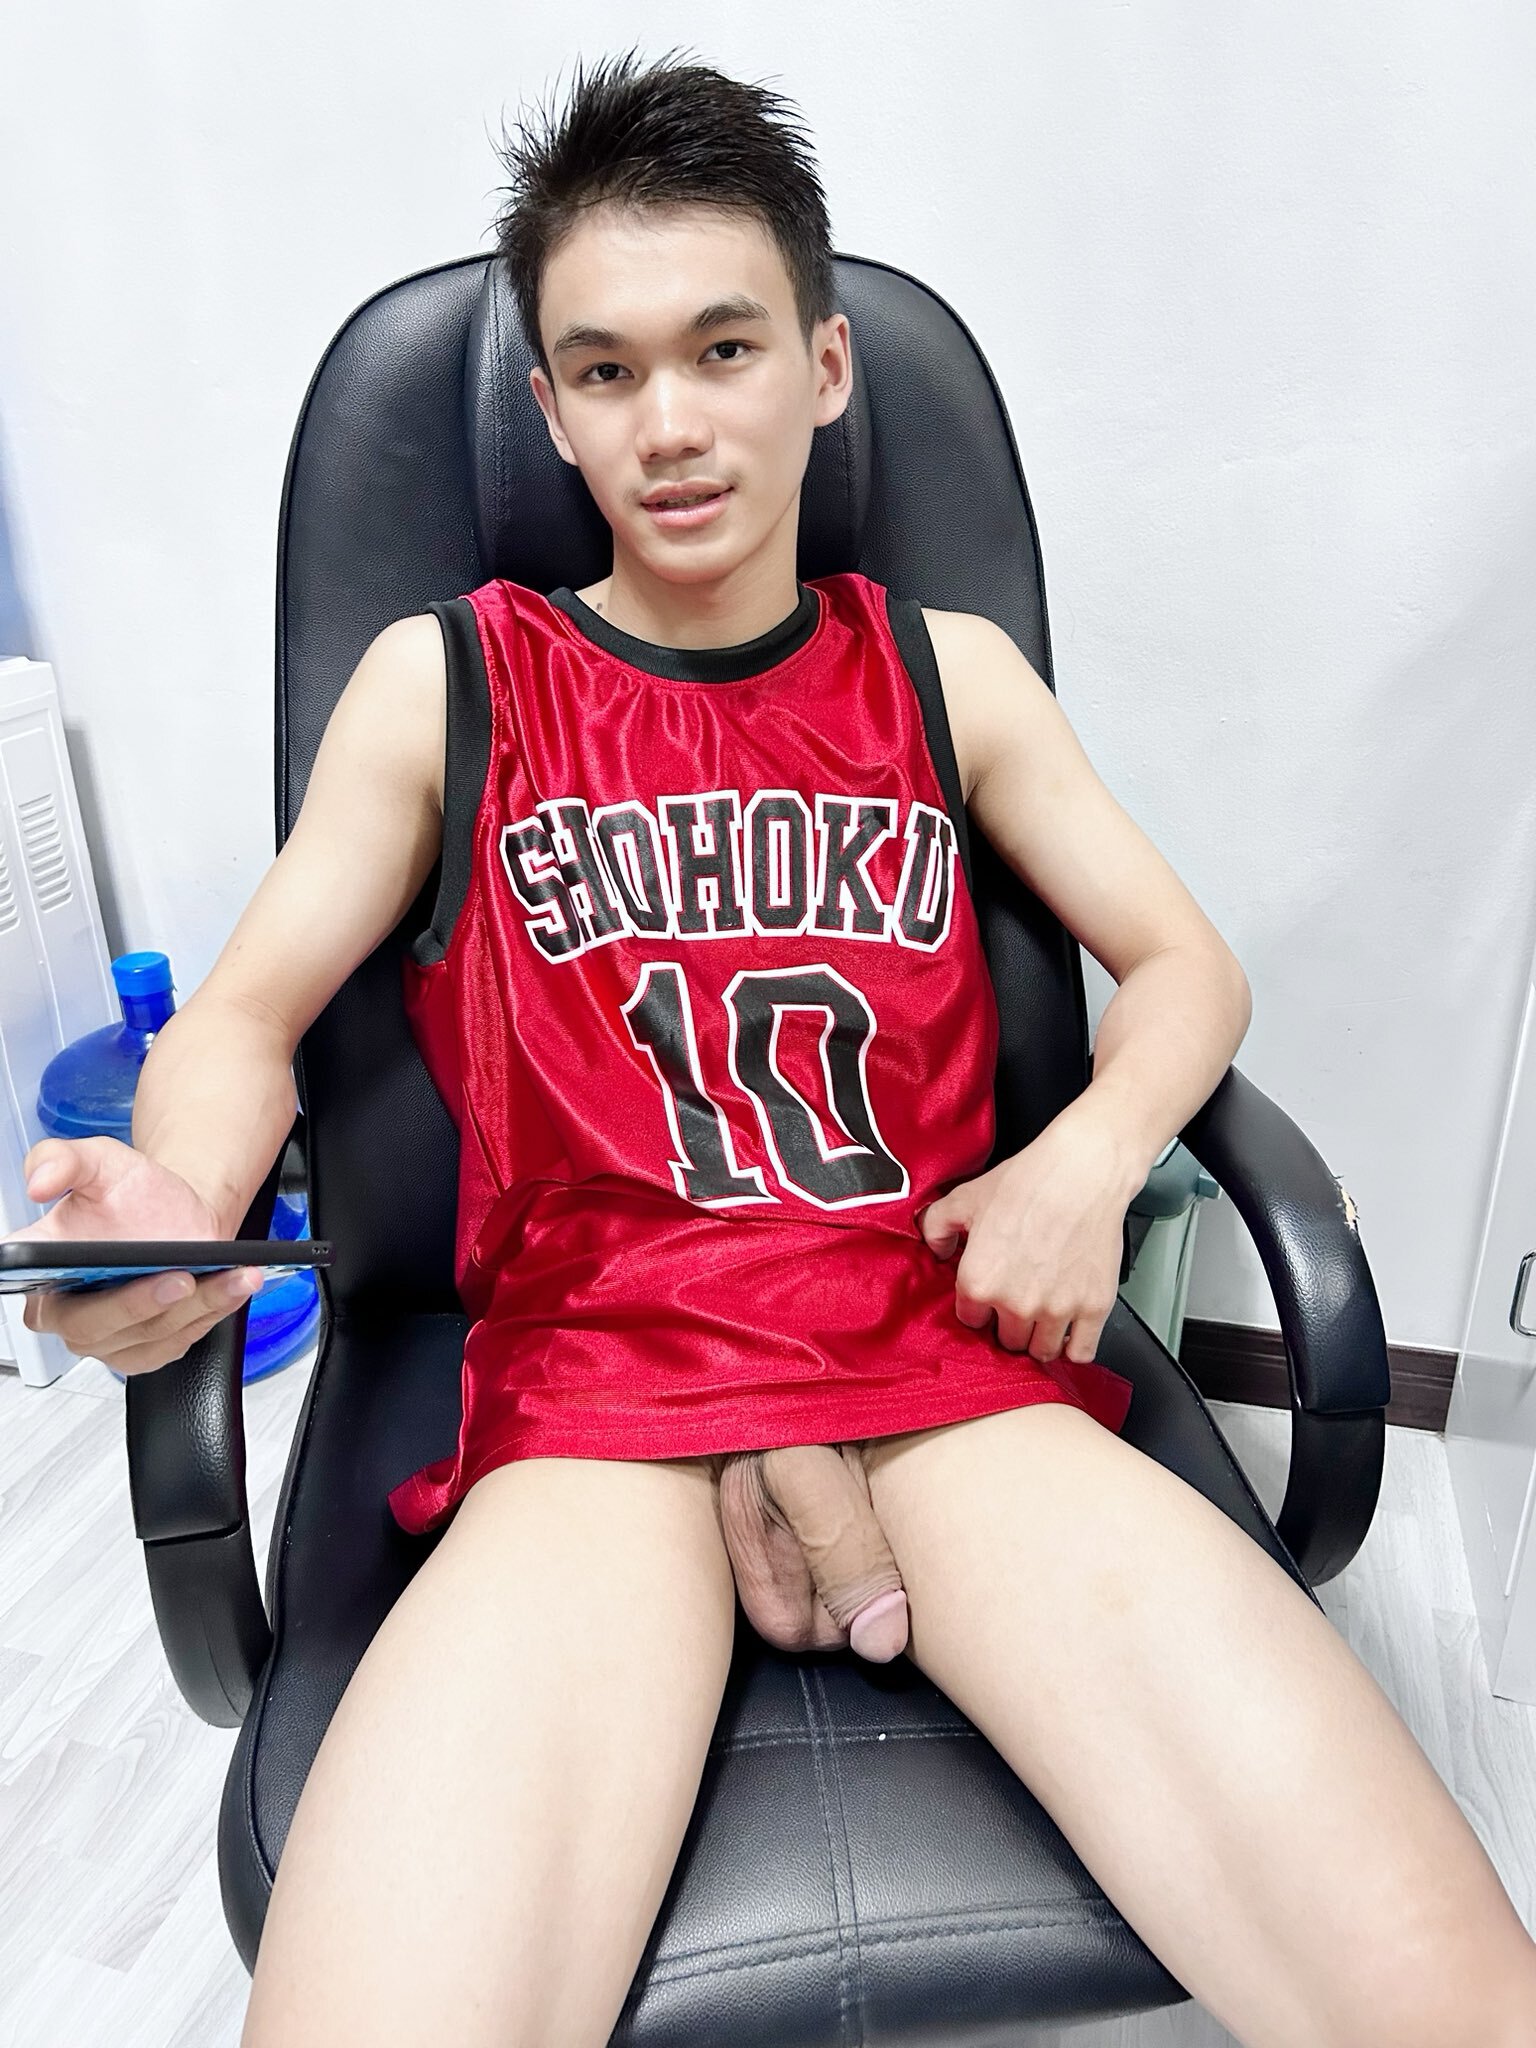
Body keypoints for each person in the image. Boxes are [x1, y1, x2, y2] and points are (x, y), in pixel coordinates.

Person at [15, 44, 1536, 2048]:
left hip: (931, 1362)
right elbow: (242, 1013)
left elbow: (1186, 967)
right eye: (608, 369)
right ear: (550, 409)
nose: (670, 422)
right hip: (597, 1396)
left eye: (722, 348)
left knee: (1437, 1994)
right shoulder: (451, 680)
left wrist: (1084, 1163)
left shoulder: (946, 674)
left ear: (823, 367)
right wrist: (181, 1196)